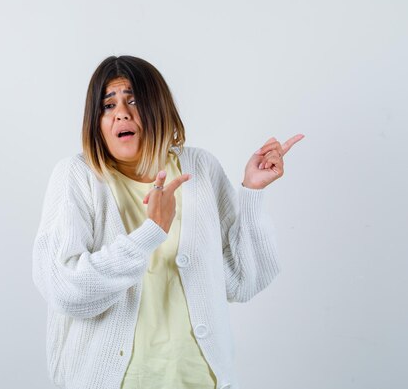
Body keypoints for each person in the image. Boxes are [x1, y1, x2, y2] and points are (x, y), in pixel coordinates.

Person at [32, 55, 304, 389]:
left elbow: (241, 281)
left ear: (158, 108)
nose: (121, 113)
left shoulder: (200, 169)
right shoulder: (77, 176)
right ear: (96, 121)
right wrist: (149, 234)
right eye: (107, 105)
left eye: (133, 100)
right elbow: (65, 289)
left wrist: (251, 193)